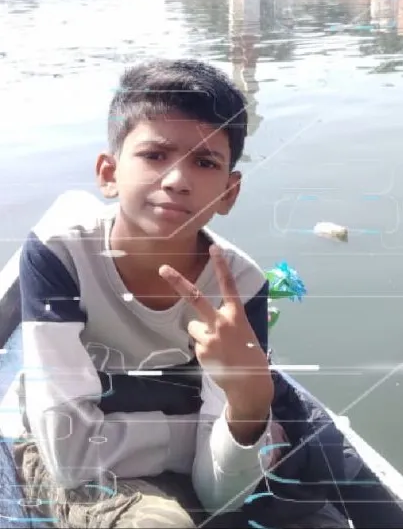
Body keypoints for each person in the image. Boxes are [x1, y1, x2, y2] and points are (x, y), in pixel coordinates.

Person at [15, 59, 350, 528]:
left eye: (205, 161)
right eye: (155, 155)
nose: (176, 180)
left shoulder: (242, 288)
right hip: (87, 461)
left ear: (229, 192)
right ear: (109, 173)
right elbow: (70, 455)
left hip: (161, 441)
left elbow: (221, 497)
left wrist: (251, 405)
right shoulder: (61, 254)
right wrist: (194, 434)